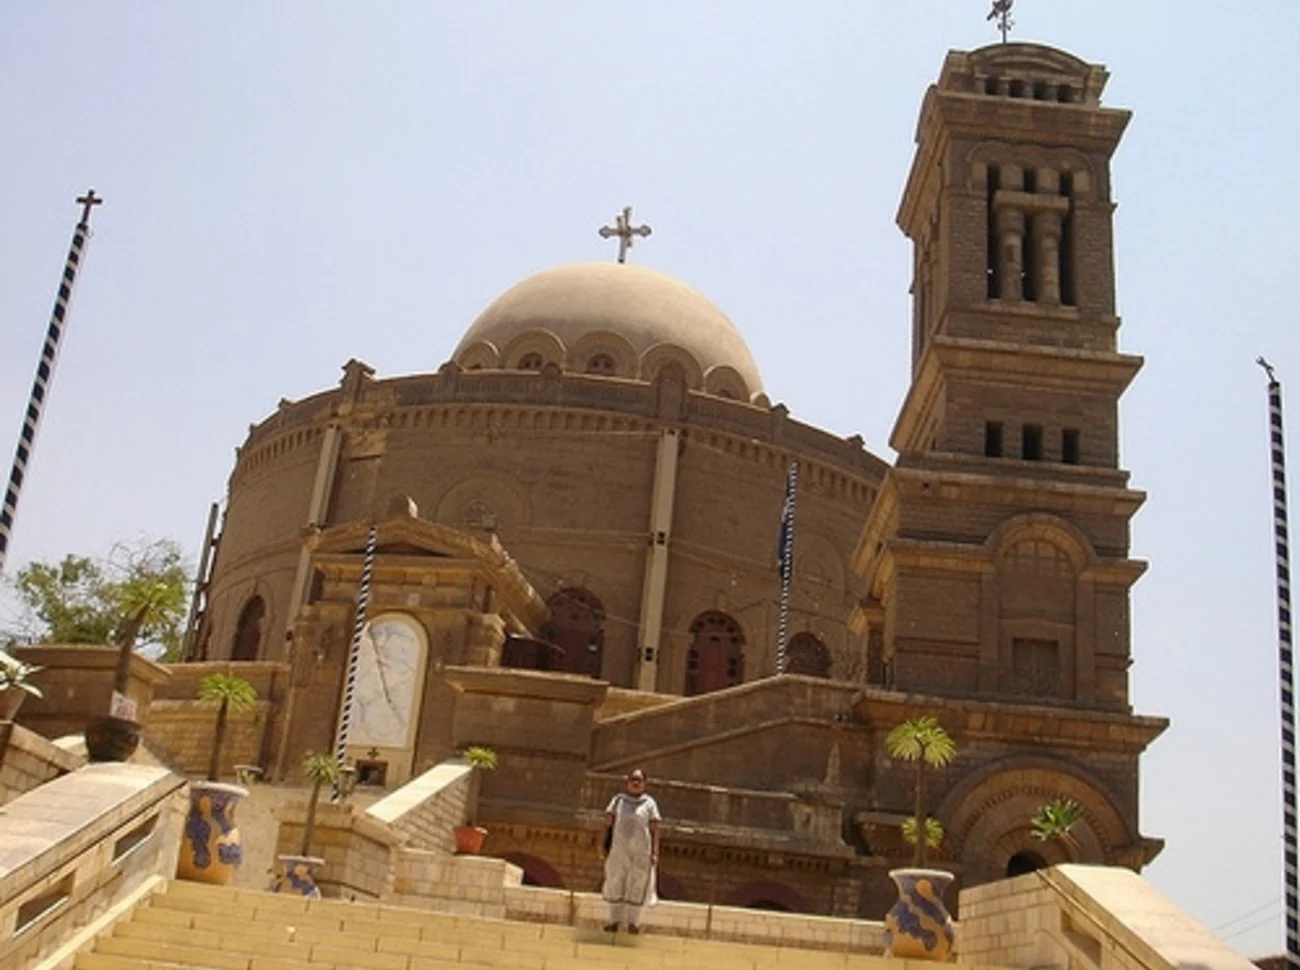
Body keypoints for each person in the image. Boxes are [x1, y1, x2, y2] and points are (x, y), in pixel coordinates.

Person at [598, 768, 661, 934]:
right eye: (633, 779)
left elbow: (655, 829)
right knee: (615, 881)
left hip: (641, 852)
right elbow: (607, 824)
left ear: (644, 784)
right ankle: (613, 921)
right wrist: (601, 845)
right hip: (619, 850)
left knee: (638, 885)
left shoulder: (649, 803)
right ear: (627, 782)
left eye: (639, 780)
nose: (636, 782)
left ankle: (634, 923)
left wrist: (655, 852)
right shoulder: (617, 801)